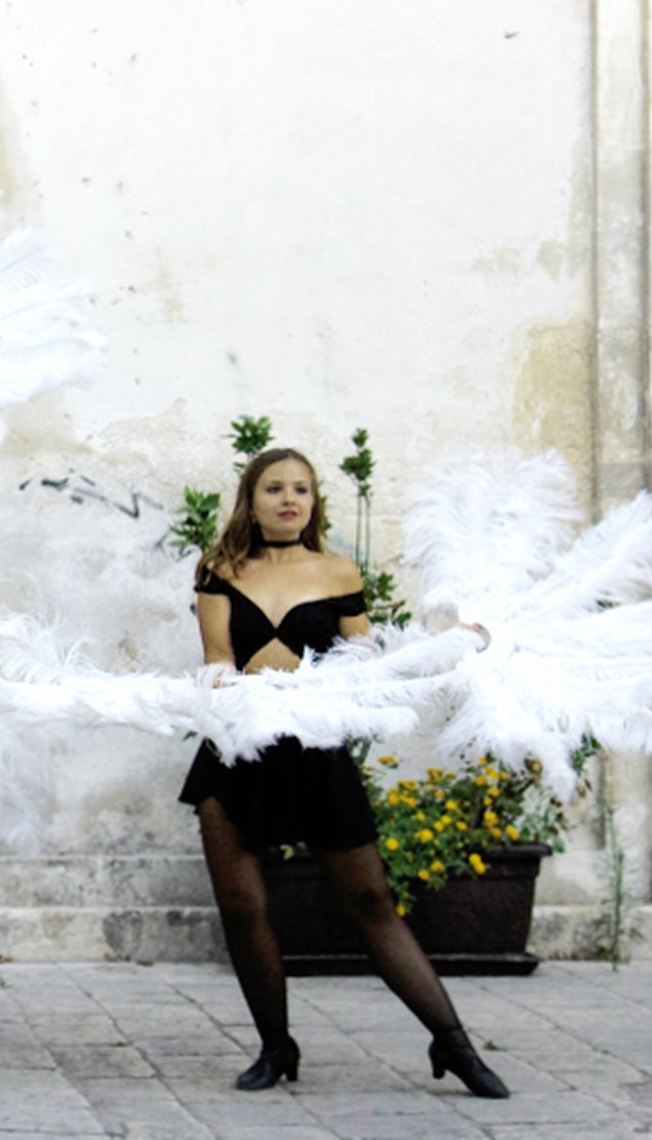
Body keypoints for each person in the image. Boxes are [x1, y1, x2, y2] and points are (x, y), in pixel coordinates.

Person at [184, 448, 509, 1099]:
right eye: (274, 488)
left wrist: (440, 645)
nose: (288, 499)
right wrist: (225, 691)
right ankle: (276, 1049)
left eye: (301, 489)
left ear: (314, 502)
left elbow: (367, 665)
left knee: (369, 903)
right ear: (251, 499)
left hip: (316, 750)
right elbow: (218, 660)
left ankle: (454, 1045)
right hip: (236, 751)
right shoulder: (219, 569)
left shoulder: (337, 571)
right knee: (243, 909)